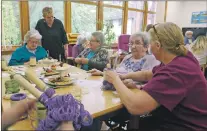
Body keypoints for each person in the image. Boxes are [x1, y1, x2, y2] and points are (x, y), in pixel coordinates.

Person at [104, 22, 207, 131]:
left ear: (157, 45)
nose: (149, 47)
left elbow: (135, 106)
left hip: (186, 126)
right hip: (178, 118)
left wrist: (115, 79)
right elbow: (148, 74)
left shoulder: (175, 71)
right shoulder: (180, 58)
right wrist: (123, 76)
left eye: (150, 44)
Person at [88, 32, 160, 79]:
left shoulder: (151, 59)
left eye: (137, 43)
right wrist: (101, 73)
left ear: (146, 46)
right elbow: (116, 72)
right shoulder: (127, 57)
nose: (133, 46)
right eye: (131, 43)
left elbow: (148, 81)